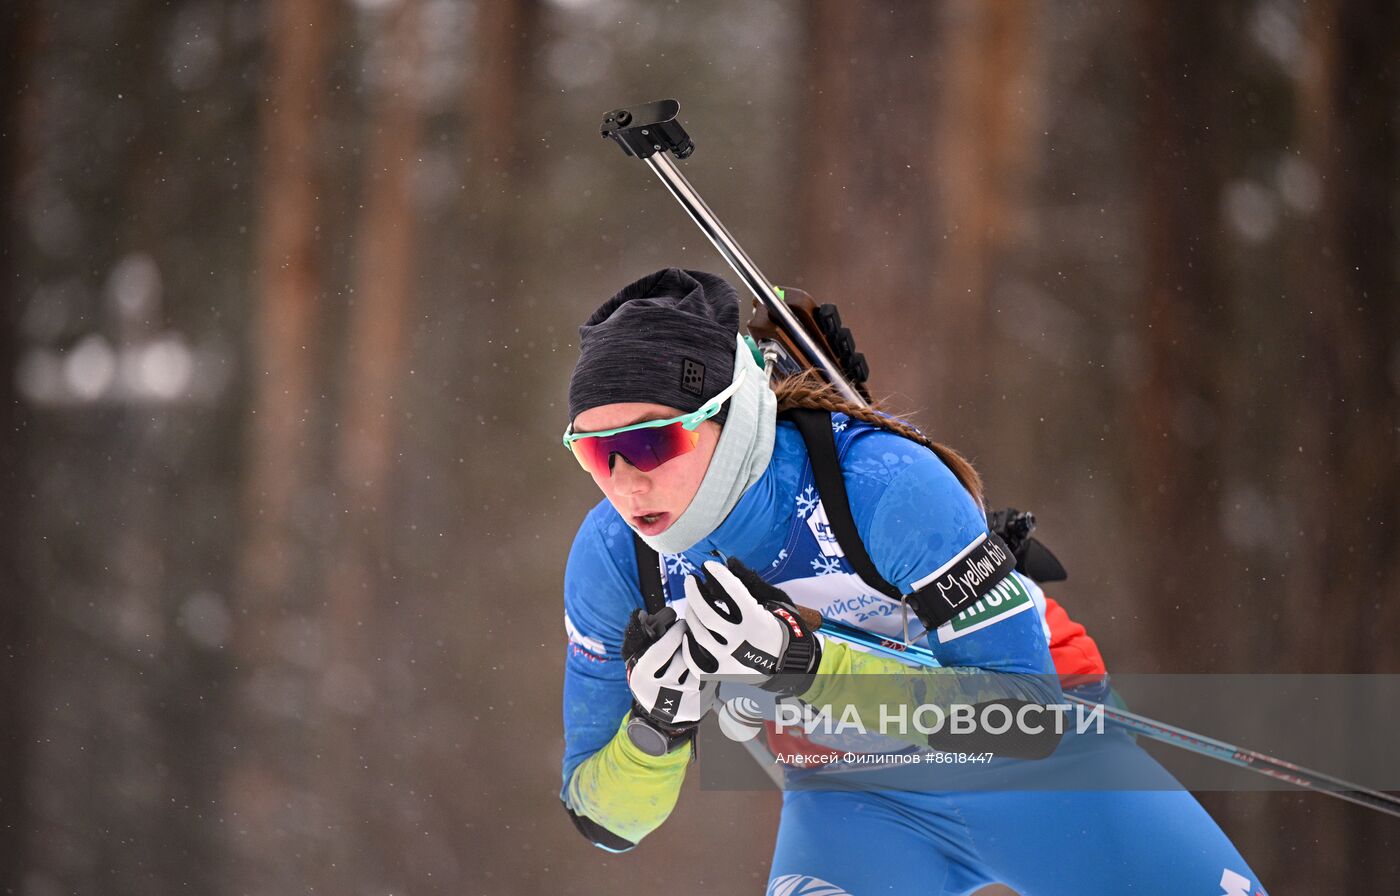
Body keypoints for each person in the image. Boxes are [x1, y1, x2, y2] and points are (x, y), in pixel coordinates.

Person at [559, 268, 1268, 895]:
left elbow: (1022, 721)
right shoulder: (617, 559)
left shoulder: (883, 483)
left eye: (649, 440)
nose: (623, 482)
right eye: (595, 454)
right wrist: (655, 732)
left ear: (730, 413)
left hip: (1047, 767)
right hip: (855, 799)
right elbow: (603, 822)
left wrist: (804, 667)